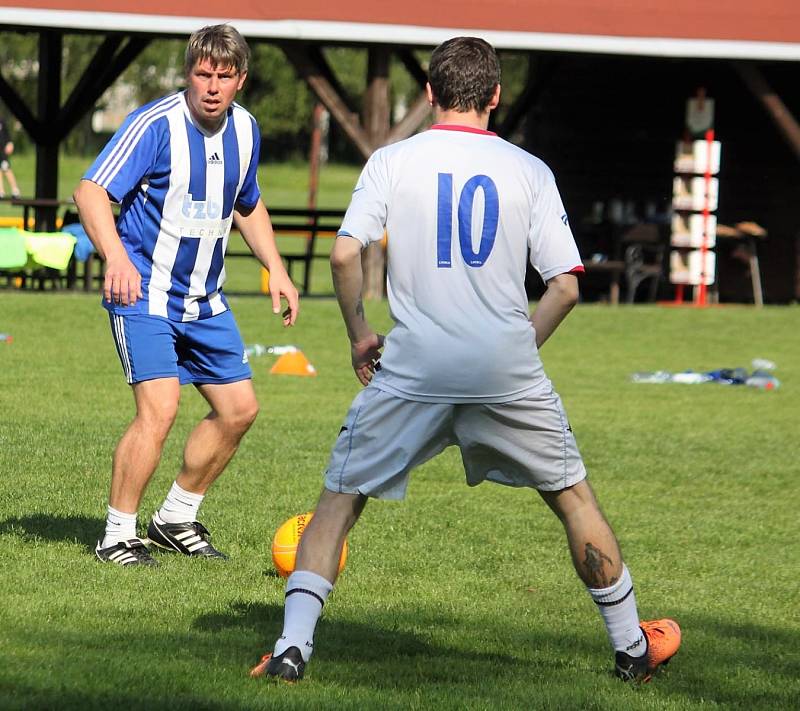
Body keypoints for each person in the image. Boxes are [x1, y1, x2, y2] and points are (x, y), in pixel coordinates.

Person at [251, 36, 680, 682]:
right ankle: (630, 649)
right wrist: (518, 346)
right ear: (496, 96)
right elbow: (565, 284)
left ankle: (292, 648)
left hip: (414, 367)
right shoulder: (530, 171)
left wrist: (359, 332)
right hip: (505, 371)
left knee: (339, 498)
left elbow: (344, 255)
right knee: (573, 499)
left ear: (428, 94)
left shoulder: (392, 161)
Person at [74, 24, 299, 567]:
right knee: (161, 407)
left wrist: (277, 269)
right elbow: (90, 191)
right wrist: (117, 258)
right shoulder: (154, 124)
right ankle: (116, 535)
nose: (212, 86)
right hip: (143, 293)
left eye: (224, 76)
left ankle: (175, 516)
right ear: (188, 74)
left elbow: (247, 204)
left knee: (239, 409)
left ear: (240, 80)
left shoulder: (246, 130)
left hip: (205, 300)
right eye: (203, 73)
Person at [0, 115, 21, 198]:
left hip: (2, 150)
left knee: (5, 167)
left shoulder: (1, 121)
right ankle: (1, 191)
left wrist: (10, 143)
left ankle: (15, 190)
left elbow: (7, 135)